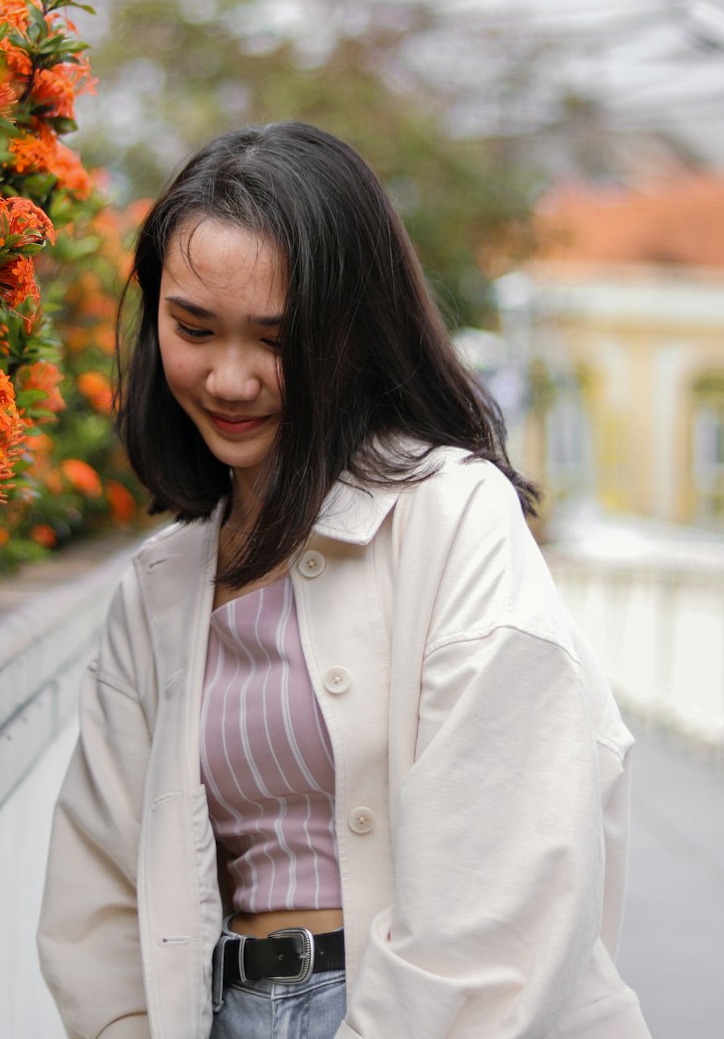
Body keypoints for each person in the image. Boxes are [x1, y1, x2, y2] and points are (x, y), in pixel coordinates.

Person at [38, 122, 651, 1039]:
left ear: (353, 332)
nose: (230, 379)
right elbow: (97, 902)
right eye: (193, 328)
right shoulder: (161, 587)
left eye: (277, 341)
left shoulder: (452, 516)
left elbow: (504, 882)